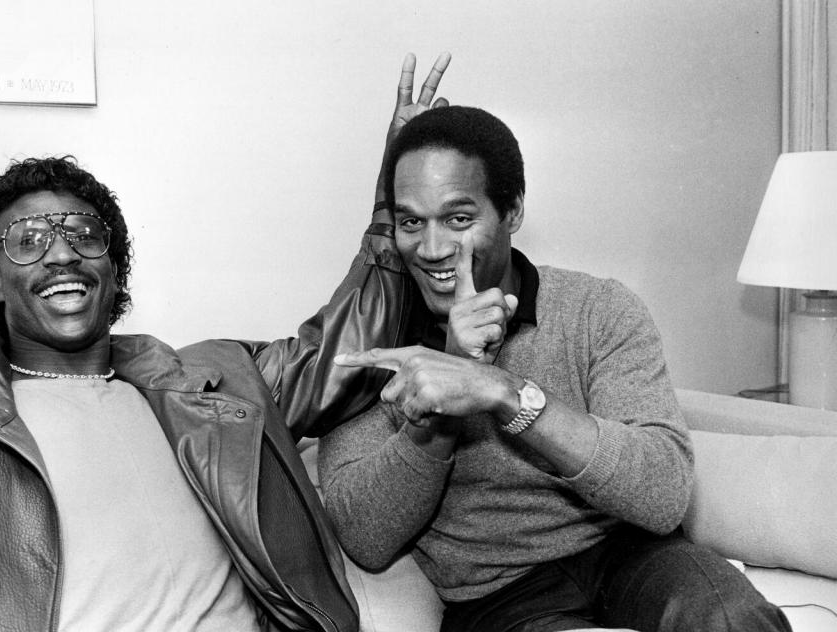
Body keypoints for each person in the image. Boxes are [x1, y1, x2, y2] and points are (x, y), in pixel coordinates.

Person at [0, 54, 450, 632]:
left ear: (114, 270)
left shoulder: (212, 380)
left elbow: (343, 350)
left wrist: (393, 192)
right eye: (27, 240)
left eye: (83, 234)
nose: (61, 252)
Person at [318, 105, 792, 632]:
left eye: (458, 218)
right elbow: (365, 535)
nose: (431, 249)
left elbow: (663, 495)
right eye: (411, 222)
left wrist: (504, 391)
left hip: (630, 552)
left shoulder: (597, 309)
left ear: (513, 211)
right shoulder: (373, 344)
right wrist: (439, 403)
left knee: (731, 619)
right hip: (498, 595)